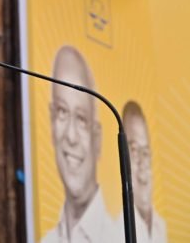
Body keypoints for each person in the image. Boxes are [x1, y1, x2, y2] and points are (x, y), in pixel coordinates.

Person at [42, 45, 115, 243]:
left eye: (81, 119)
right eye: (62, 112)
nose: (71, 137)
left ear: (97, 139)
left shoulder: (122, 236)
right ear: (51, 123)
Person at [116, 101, 167, 243]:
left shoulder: (162, 226)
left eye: (145, 152)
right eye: (134, 151)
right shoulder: (114, 231)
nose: (142, 163)